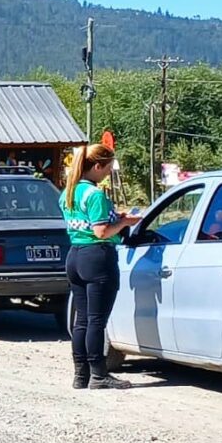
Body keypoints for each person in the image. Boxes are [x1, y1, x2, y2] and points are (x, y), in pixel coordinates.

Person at [60, 144, 141, 390]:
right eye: (107, 168)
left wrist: (115, 217)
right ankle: (99, 374)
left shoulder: (69, 192)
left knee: (82, 320)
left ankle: (81, 374)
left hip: (75, 255)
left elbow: (84, 223)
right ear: (97, 166)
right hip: (97, 257)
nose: (107, 173)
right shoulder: (95, 194)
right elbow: (101, 231)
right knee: (97, 320)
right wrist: (126, 222)